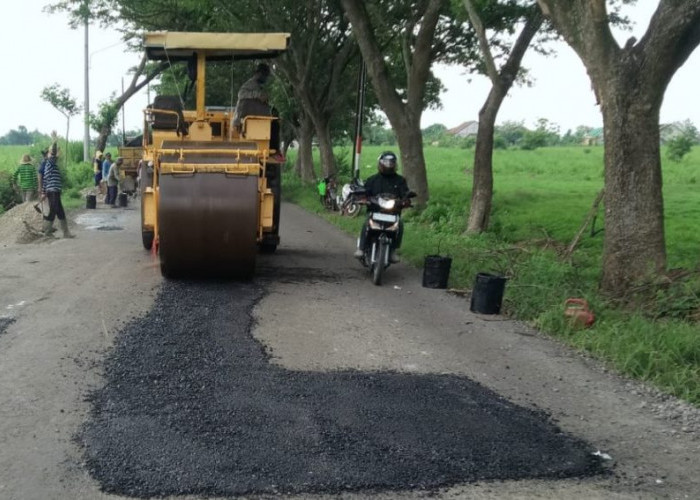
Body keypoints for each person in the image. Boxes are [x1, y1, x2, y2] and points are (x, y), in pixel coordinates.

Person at [354, 151, 410, 263]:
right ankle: (361, 248)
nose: (389, 165)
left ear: (395, 164)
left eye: (391, 162)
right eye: (386, 162)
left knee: (400, 225)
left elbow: (405, 193)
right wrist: (364, 198)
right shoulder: (372, 180)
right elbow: (365, 192)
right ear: (380, 163)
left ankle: (393, 250)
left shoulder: (400, 180)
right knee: (366, 223)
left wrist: (406, 200)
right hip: (375, 211)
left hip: (393, 213)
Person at [233, 63, 283, 161]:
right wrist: (258, 95)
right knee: (274, 126)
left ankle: (273, 150)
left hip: (254, 116)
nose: (265, 78)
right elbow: (241, 94)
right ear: (258, 73)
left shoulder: (259, 86)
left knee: (274, 122)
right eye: (264, 75)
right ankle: (274, 150)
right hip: (244, 118)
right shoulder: (250, 84)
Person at [37, 131, 74, 238]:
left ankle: (66, 233)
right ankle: (47, 233)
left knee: (60, 212)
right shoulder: (50, 162)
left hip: (53, 191)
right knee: (53, 211)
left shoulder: (48, 165)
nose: (54, 154)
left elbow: (45, 181)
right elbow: (53, 152)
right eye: (50, 153)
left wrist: (44, 192)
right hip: (53, 191)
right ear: (48, 155)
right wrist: (54, 141)